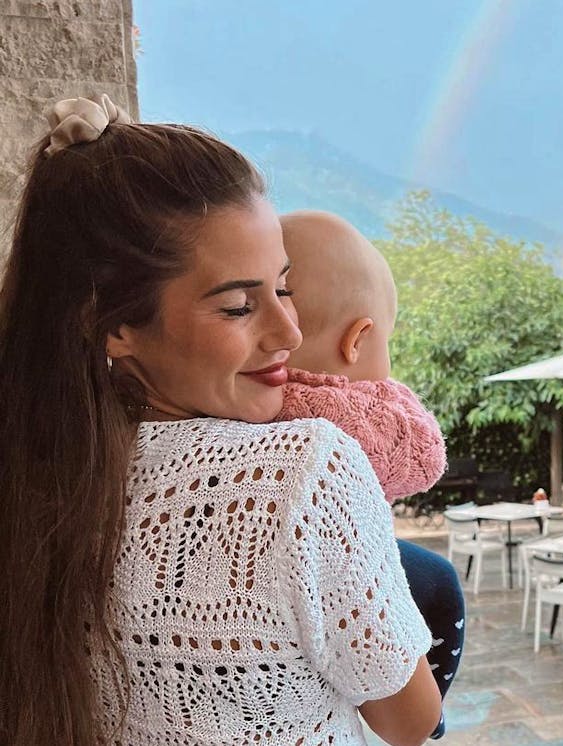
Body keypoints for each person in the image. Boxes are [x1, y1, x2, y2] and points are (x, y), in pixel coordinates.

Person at [0, 95, 440, 746]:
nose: (288, 331)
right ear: (112, 324)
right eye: (238, 306)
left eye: (284, 288)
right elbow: (413, 721)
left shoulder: (32, 478)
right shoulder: (303, 473)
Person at [276, 210, 464, 738]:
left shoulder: (232, 395)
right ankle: (435, 714)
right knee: (436, 580)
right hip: (332, 571)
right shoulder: (335, 438)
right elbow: (423, 457)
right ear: (357, 341)